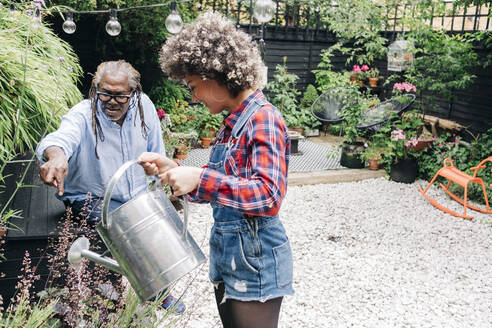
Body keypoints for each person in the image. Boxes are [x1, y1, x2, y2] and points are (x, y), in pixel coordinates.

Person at [138, 11, 294, 328]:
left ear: (216, 75)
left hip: (257, 263)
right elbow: (217, 189)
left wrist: (200, 177)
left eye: (193, 86)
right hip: (229, 259)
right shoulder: (231, 125)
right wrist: (174, 170)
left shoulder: (263, 118)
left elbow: (268, 196)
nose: (193, 97)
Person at [36, 60, 185, 314]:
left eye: (120, 95)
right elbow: (61, 138)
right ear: (96, 89)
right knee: (123, 226)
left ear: (133, 93)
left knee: (157, 229)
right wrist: (56, 156)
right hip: (91, 196)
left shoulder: (144, 107)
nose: (111, 101)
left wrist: (163, 180)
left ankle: (157, 290)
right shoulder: (83, 113)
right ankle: (112, 298)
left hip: (135, 192)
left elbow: (157, 151)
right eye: (105, 93)